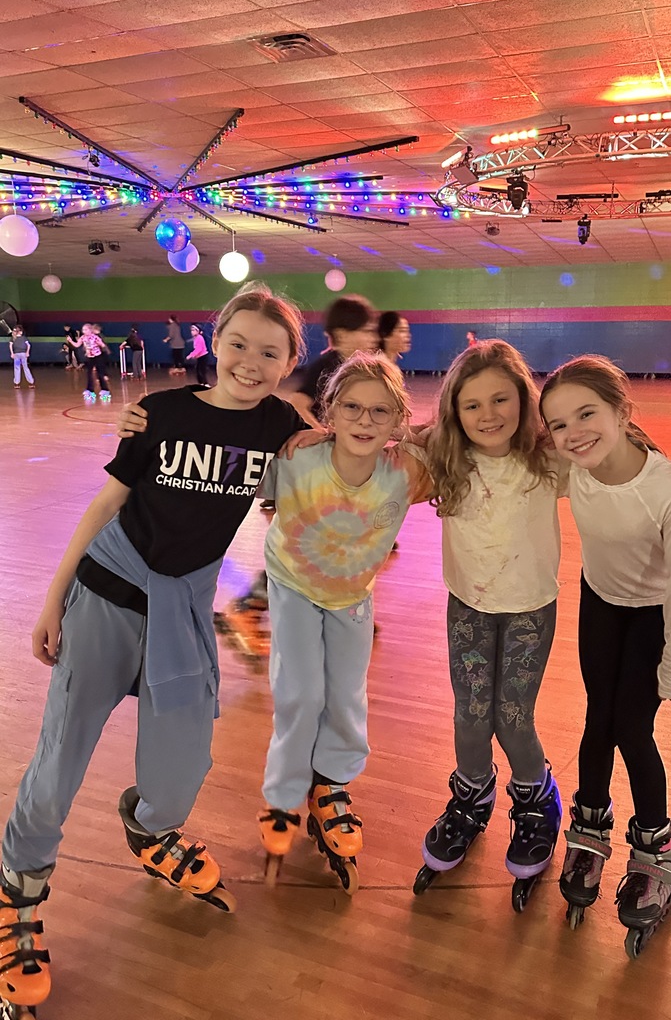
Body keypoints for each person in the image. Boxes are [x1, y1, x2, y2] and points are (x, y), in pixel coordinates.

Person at [0, 284, 306, 1020]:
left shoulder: (283, 426)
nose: (250, 361)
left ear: (292, 361)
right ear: (213, 342)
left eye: (271, 351)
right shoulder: (162, 413)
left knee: (184, 756)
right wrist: (53, 599)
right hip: (105, 591)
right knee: (62, 755)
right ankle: (18, 894)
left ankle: (148, 824)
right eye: (238, 343)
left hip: (183, 606)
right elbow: (103, 504)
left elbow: (354, 445)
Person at [413, 342, 671, 910]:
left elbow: (618, 452)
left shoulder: (549, 459)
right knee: (471, 713)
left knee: (515, 716)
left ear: (525, 403)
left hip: (531, 609)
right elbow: (378, 452)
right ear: (455, 412)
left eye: (502, 399)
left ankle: (536, 798)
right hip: (468, 607)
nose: (489, 414)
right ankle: (472, 795)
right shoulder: (443, 455)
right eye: (473, 405)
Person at [540, 355, 671, 957]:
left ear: (620, 411)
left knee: (633, 730)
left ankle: (657, 842)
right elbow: (493, 450)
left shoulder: (668, 489)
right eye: (558, 424)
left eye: (587, 414)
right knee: (595, 722)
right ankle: (589, 825)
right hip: (600, 602)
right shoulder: (570, 465)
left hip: (654, 615)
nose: (573, 432)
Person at [257, 352, 432, 893]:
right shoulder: (295, 459)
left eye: (380, 412)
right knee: (301, 693)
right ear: (328, 412)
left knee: (347, 695)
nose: (364, 421)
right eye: (351, 408)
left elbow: (470, 436)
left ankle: (330, 786)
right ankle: (285, 796)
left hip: (352, 594)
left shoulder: (408, 470)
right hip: (293, 585)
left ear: (399, 420)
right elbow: (234, 450)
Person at [290, 295, 379, 429]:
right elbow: (297, 405)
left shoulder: (365, 369)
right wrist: (323, 435)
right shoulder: (324, 368)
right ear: (342, 335)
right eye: (366, 331)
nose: (373, 338)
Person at [81, 323, 111, 403]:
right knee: (90, 372)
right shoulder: (87, 337)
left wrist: (104, 351)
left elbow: (103, 346)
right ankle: (90, 389)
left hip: (99, 356)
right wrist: (87, 350)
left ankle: (104, 389)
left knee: (100, 372)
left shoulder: (97, 337)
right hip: (92, 356)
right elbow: (85, 345)